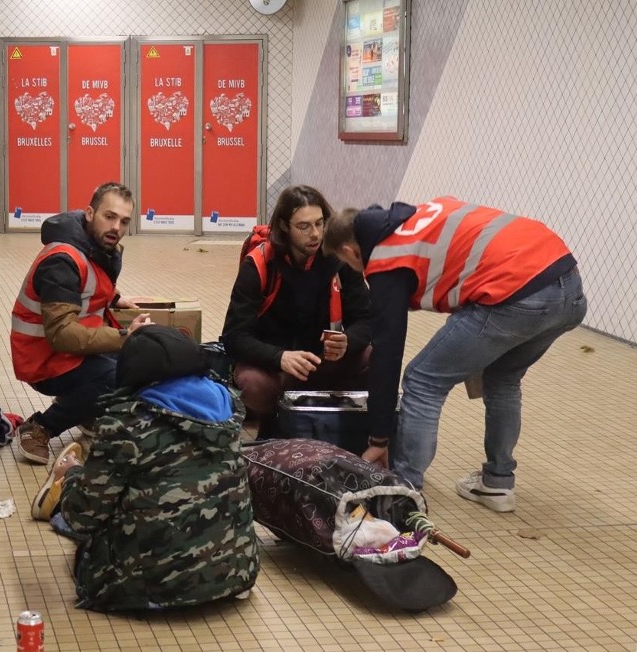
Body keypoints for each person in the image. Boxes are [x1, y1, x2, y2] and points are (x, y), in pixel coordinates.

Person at [324, 197, 587, 512]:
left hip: (517, 295)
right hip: (568, 288)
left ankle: (404, 491)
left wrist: (379, 439)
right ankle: (497, 483)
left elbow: (387, 352)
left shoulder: (386, 259)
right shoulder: (418, 216)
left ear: (351, 252)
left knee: (422, 379)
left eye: (351, 265)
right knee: (502, 377)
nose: (359, 272)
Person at [30, 325, 260, 611]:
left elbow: (83, 517)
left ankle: (60, 486)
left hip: (147, 587)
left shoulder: (124, 425)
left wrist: (73, 476)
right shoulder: (228, 409)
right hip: (235, 574)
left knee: (81, 517)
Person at [11, 182, 152, 464]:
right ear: (89, 213)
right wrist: (125, 336)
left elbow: (88, 283)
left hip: (67, 350)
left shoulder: (92, 246)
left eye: (124, 221)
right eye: (109, 217)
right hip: (43, 359)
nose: (116, 227)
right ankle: (40, 428)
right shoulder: (61, 260)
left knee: (138, 361)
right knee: (117, 375)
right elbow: (62, 334)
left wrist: (115, 297)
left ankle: (85, 408)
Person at [221, 185, 372, 437]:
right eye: (304, 226)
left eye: (320, 223)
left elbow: (366, 319)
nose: (315, 234)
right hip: (277, 366)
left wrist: (348, 342)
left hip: (324, 361)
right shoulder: (259, 265)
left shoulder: (340, 260)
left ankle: (350, 424)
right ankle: (271, 422)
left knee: (373, 355)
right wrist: (279, 357)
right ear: (284, 227)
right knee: (251, 382)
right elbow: (234, 337)